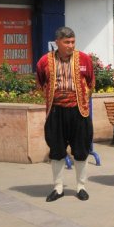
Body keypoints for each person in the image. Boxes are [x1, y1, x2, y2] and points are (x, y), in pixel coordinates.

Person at [36, 26, 95, 202]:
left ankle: (81, 186)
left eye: (73, 42)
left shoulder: (84, 59)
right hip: (56, 112)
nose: (70, 45)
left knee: (81, 149)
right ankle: (58, 187)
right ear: (57, 43)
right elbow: (40, 84)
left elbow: (91, 82)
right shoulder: (44, 61)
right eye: (67, 42)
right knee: (56, 149)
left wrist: (79, 100)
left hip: (79, 112)